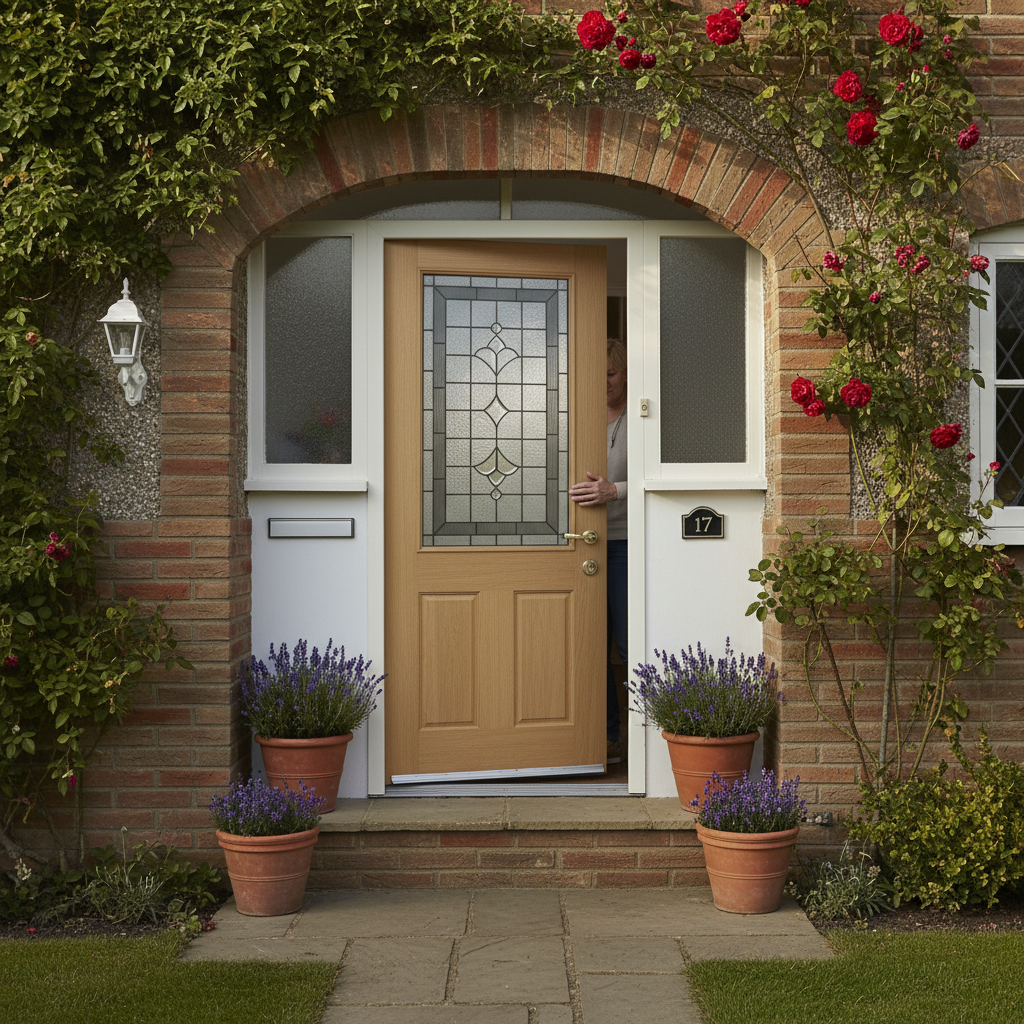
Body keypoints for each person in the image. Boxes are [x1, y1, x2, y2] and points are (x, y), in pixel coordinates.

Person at [569, 338, 628, 764]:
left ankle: (639, 740)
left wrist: (614, 490)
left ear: (625, 373)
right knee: (589, 644)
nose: (604, 382)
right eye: (598, 374)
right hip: (581, 543)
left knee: (627, 645)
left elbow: (650, 480)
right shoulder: (574, 416)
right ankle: (605, 739)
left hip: (623, 544)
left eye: (611, 373)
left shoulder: (642, 418)